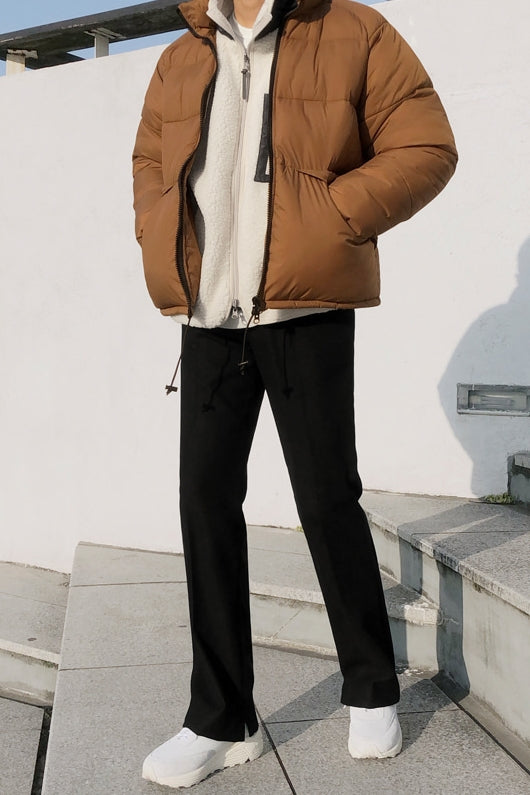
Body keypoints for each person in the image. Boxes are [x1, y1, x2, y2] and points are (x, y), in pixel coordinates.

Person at [133, 0, 457, 786]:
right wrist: (157, 230)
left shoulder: (353, 30)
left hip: (305, 309)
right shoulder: (183, 53)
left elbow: (427, 144)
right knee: (203, 501)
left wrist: (333, 215)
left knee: (326, 496)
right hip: (210, 314)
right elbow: (148, 162)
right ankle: (223, 717)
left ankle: (371, 686)